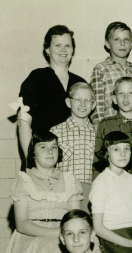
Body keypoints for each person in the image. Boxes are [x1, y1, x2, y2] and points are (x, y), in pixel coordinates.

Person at [0, 131, 83, 253]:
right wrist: (55, 233)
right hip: (32, 236)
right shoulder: (24, 180)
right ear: (33, 153)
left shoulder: (69, 179)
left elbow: (76, 217)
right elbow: (21, 224)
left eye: (54, 147)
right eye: (43, 147)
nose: (50, 151)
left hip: (66, 233)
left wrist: (67, 233)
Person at [17, 25, 86, 158]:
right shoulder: (37, 78)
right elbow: (24, 120)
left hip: (73, 159)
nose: (63, 50)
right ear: (47, 49)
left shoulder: (80, 83)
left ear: (73, 50)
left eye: (68, 45)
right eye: (57, 45)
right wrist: (31, 161)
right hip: (42, 157)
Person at [94, 77, 132, 212]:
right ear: (114, 99)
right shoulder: (106, 124)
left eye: (130, 93)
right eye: (121, 93)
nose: (126, 97)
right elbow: (98, 160)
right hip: (113, 182)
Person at [49, 81, 97, 211]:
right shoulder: (55, 132)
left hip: (91, 195)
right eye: (78, 99)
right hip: (64, 194)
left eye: (87, 100)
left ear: (93, 105)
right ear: (68, 102)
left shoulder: (98, 132)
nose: (82, 104)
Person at [89, 22, 132, 125]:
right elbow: (97, 107)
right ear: (108, 44)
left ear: (131, 44)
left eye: (126, 40)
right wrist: (101, 131)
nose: (122, 44)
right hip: (111, 129)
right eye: (117, 39)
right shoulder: (101, 69)